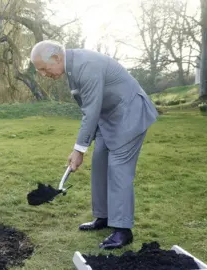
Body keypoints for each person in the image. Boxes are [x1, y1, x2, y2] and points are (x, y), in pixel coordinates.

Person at [30, 40, 158, 249]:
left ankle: (123, 230)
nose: (44, 74)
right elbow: (91, 109)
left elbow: (91, 110)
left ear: (56, 58)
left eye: (44, 69)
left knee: (118, 169)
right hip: (109, 118)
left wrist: (79, 149)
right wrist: (85, 144)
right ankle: (104, 217)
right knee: (99, 163)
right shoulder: (71, 68)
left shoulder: (85, 66)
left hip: (129, 114)